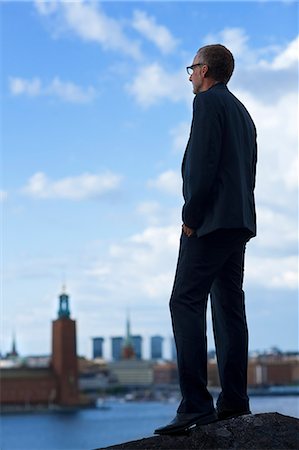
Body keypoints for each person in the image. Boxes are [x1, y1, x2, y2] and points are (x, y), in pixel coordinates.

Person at [154, 44, 257, 435]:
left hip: (210, 223)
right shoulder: (244, 113)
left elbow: (202, 165)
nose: (190, 75)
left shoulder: (207, 103)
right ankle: (234, 401)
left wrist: (190, 217)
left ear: (206, 69)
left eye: (192, 68)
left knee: (184, 301)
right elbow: (248, 173)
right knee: (229, 307)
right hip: (238, 223)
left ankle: (196, 404)